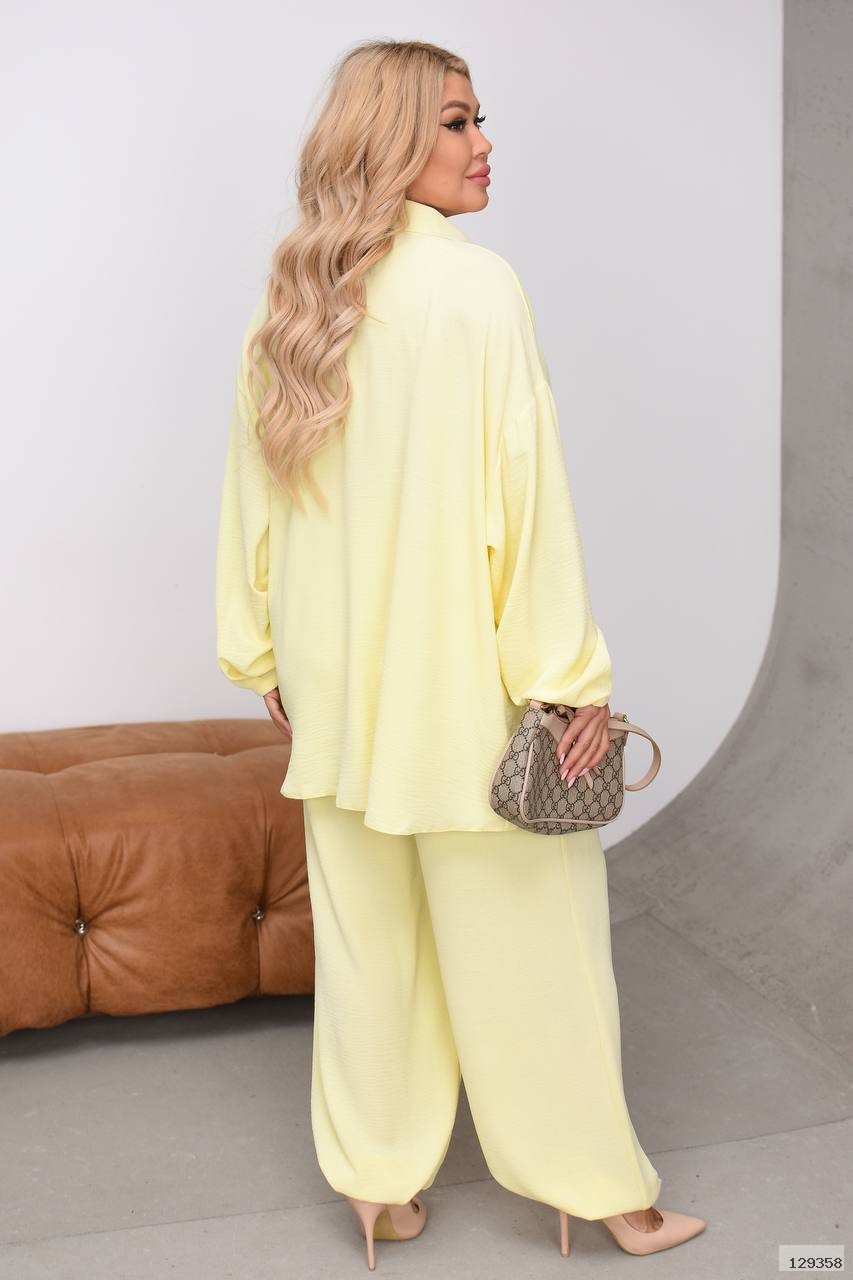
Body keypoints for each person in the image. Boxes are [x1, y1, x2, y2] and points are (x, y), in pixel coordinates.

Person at [215, 37, 707, 1271]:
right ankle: (601, 1193)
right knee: (536, 951)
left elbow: (249, 500)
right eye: (455, 121)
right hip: (465, 698)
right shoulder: (477, 291)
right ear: (387, 137)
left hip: (333, 694)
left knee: (369, 955)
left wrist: (259, 653)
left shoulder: (296, 299)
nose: (484, 144)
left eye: (481, 118)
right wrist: (567, 677)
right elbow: (524, 499)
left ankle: (376, 1188)